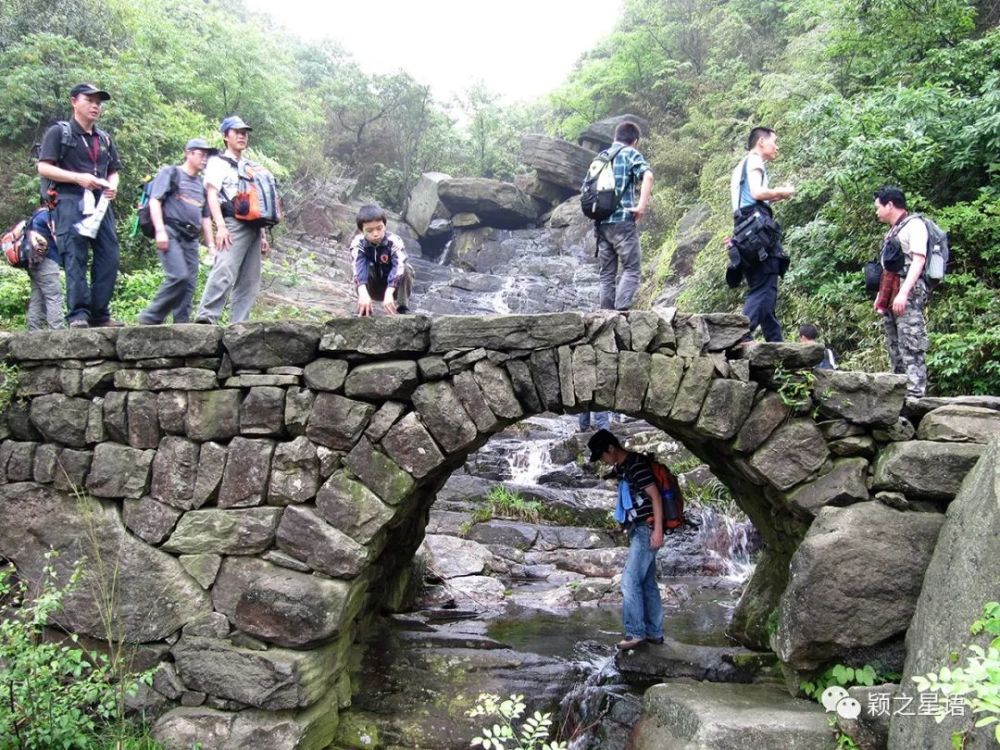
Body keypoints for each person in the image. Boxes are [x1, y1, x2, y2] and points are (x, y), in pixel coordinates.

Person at [37, 83, 123, 328]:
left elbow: (113, 170)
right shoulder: (59, 132)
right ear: (74, 101)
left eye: (99, 102)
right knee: (75, 255)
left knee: (110, 255)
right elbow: (43, 167)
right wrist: (78, 178)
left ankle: (99, 313)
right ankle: (78, 314)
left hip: (100, 202)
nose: (95, 105)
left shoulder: (104, 137)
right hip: (69, 199)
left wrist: (113, 185)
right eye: (90, 100)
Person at [587, 429, 665, 650]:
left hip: (646, 529)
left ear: (610, 449)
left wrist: (657, 530)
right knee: (647, 582)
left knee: (629, 582)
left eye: (602, 456)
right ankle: (655, 633)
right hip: (638, 528)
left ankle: (636, 633)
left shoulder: (636, 465)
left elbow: (655, 496)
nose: (603, 461)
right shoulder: (623, 466)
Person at [195, 116, 270, 324]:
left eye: (244, 133)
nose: (242, 136)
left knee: (250, 279)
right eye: (237, 132)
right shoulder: (217, 163)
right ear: (225, 136)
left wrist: (263, 234)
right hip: (232, 223)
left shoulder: (249, 166)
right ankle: (206, 318)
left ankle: (239, 324)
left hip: (254, 226)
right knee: (224, 269)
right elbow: (212, 195)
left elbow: (257, 202)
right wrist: (219, 226)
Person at [138, 139, 216, 325]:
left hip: (191, 238)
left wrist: (211, 246)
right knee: (178, 276)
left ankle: (181, 325)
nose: (205, 158)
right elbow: (155, 201)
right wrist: (160, 231)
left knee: (189, 284)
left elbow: (205, 217)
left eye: (207, 155)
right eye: (201, 154)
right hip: (170, 231)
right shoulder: (171, 173)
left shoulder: (201, 185)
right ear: (188, 153)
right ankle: (150, 318)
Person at [729, 127, 795, 342]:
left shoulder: (741, 166)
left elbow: (751, 198)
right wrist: (782, 192)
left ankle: (776, 344)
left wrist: (775, 197)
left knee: (762, 285)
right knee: (766, 282)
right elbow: (758, 193)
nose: (776, 146)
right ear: (760, 142)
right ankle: (740, 336)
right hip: (757, 230)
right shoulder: (756, 160)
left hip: (744, 230)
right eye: (773, 141)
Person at [873, 186, 929, 398]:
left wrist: (904, 293)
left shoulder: (914, 225)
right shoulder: (893, 230)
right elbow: (889, 268)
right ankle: (899, 392)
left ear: (890, 205)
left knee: (911, 341)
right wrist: (881, 295)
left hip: (909, 292)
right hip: (891, 293)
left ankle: (915, 393)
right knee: (894, 344)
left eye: (878, 207)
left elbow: (918, 260)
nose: (876, 211)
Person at [595, 121, 654, 312]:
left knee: (607, 274)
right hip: (622, 220)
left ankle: (605, 316)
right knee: (632, 268)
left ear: (615, 137)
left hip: (601, 223)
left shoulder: (600, 157)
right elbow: (648, 176)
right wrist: (641, 207)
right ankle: (620, 314)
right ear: (634, 141)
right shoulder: (630, 153)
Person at [349, 204, 415, 316]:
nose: (375, 234)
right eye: (369, 230)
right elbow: (358, 267)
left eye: (379, 228)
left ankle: (402, 307)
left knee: (406, 268)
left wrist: (389, 292)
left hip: (394, 289)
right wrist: (363, 293)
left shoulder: (394, 241)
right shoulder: (358, 243)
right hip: (372, 287)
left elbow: (398, 266)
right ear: (361, 231)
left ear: (385, 226)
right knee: (361, 267)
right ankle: (365, 309)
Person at [23, 207, 64, 330]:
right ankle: (57, 331)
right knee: (54, 296)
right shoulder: (47, 215)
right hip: (47, 261)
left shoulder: (35, 216)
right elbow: (58, 236)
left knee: (37, 297)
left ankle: (34, 331)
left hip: (34, 262)